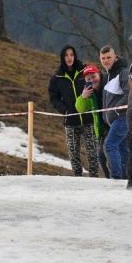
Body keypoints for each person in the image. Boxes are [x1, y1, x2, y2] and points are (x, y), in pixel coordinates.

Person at [48, 45, 98, 177]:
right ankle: (77, 178)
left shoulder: (85, 70)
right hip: (71, 120)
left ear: (75, 56)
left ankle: (95, 178)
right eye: (66, 55)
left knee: (92, 152)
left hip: (89, 118)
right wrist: (64, 110)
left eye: (71, 54)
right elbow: (53, 97)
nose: (69, 58)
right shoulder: (57, 77)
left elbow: (97, 83)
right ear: (62, 57)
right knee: (73, 153)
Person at [100, 45, 130, 180]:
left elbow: (129, 93)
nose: (106, 61)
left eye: (108, 58)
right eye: (103, 58)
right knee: (122, 148)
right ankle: (126, 177)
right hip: (113, 121)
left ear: (115, 57)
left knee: (110, 144)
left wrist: (117, 110)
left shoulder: (123, 72)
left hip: (122, 118)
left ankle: (116, 178)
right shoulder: (106, 76)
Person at [75, 65, 109, 178]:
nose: (92, 80)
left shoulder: (107, 85)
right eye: (88, 79)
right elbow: (80, 108)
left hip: (112, 123)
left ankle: (118, 178)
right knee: (101, 155)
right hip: (101, 128)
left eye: (94, 76)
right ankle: (110, 178)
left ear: (99, 74)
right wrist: (83, 97)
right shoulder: (90, 93)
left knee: (110, 149)